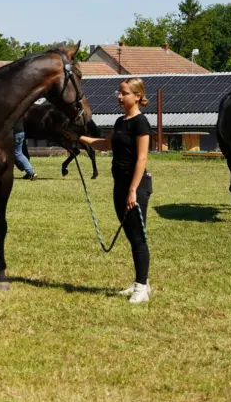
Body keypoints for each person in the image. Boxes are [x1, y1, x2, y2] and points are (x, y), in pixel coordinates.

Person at [70, 78, 152, 303]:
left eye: (124, 93)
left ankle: (142, 288)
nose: (119, 96)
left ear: (137, 96)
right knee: (131, 235)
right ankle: (140, 280)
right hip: (120, 186)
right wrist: (78, 138)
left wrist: (133, 189)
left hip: (136, 188)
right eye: (119, 92)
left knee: (138, 237)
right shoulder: (120, 122)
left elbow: (142, 158)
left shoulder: (141, 123)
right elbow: (105, 145)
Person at [13, 116, 36, 180]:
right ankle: (31, 173)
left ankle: (31, 173)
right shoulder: (18, 109)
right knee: (19, 154)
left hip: (15, 133)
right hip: (21, 132)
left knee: (16, 154)